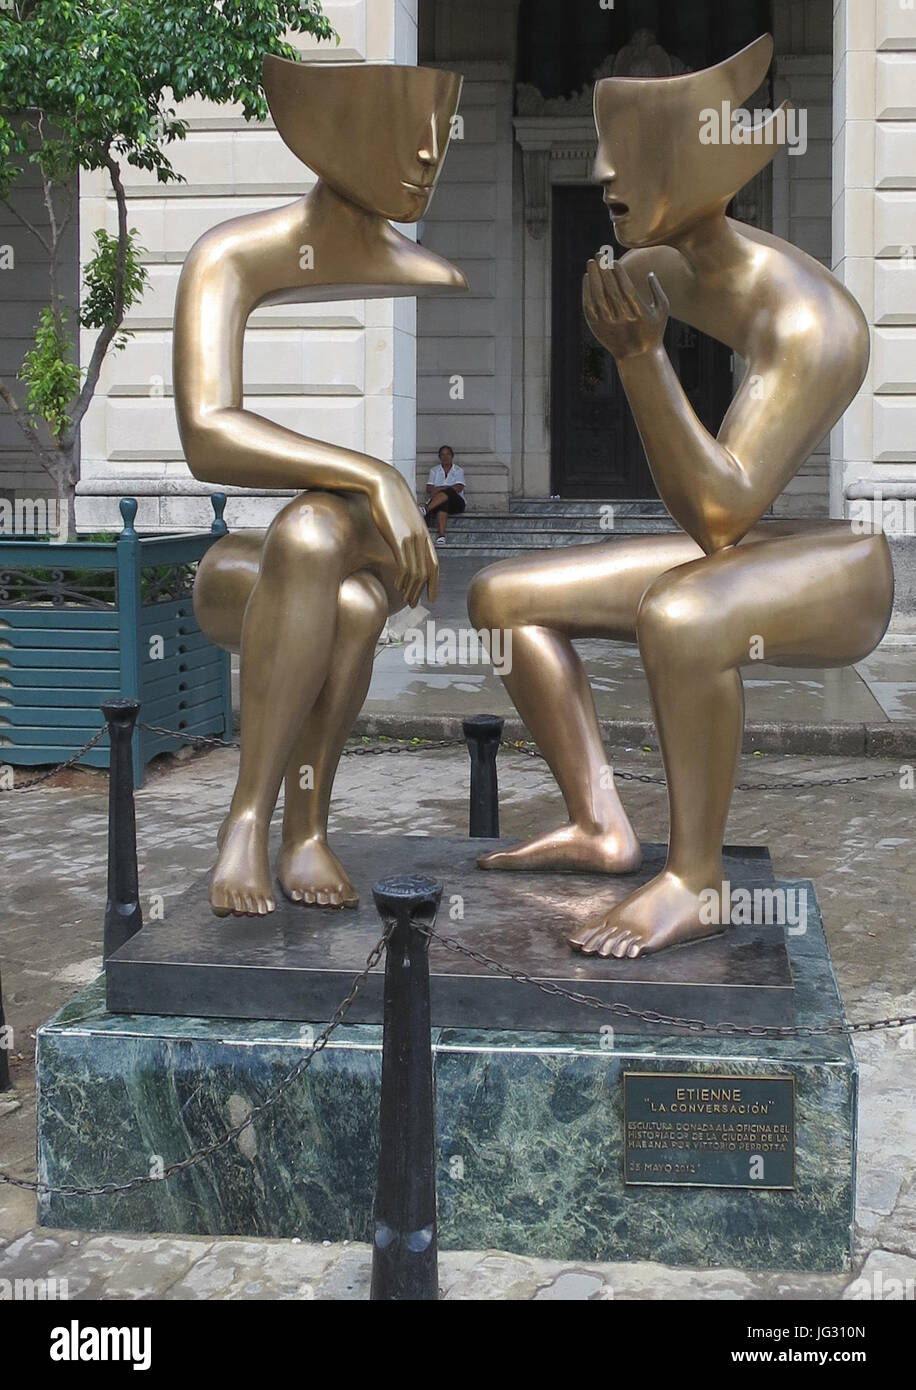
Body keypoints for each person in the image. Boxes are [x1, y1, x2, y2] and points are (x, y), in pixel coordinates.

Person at [468, 34, 893, 959]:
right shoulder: (654, 267)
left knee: (684, 615)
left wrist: (643, 363)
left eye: (630, 155)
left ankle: (696, 878)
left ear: (702, 165)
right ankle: (600, 825)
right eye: (601, 152)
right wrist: (635, 350)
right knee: (502, 598)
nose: (602, 175)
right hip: (742, 547)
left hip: (843, 573)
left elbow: (718, 516)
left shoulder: (813, 323)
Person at [173, 57, 467, 917]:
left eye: (439, 137)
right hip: (234, 576)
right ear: (335, 135)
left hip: (323, 573)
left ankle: (286, 828)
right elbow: (207, 433)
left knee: (347, 593)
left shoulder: (429, 267)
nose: (426, 159)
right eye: (406, 133)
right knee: (311, 538)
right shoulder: (230, 256)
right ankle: (271, 822)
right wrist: (371, 475)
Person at [423, 444, 466, 542]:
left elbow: (458, 488)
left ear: (452, 456)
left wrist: (439, 489)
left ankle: (426, 509)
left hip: (456, 503)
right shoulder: (434, 470)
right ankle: (441, 536)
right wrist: (446, 488)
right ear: (439, 457)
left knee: (450, 492)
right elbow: (429, 488)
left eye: (448, 454)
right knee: (444, 503)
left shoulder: (458, 470)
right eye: (442, 455)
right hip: (440, 503)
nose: (445, 457)